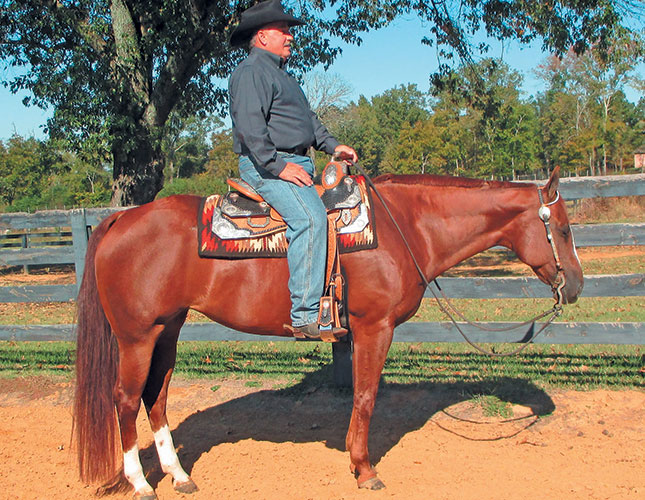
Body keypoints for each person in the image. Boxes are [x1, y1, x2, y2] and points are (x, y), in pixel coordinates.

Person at [228, 0, 357, 339]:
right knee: (310, 219)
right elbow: (251, 129)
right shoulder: (251, 72)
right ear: (262, 36)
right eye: (283, 30)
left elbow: (307, 122)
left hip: (292, 162)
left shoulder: (282, 76)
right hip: (265, 165)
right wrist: (279, 167)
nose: (290, 36)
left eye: (289, 30)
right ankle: (304, 313)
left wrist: (332, 145)